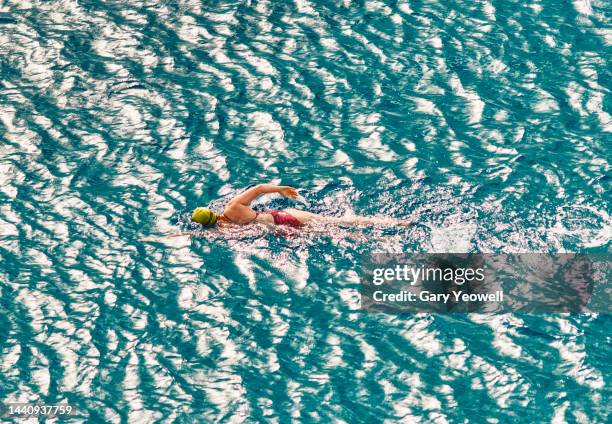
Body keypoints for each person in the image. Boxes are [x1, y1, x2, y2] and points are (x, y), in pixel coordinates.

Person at [191, 183, 409, 228]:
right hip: (281, 215)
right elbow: (257, 189)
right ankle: (393, 223)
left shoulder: (224, 231)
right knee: (339, 222)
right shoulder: (231, 208)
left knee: (335, 230)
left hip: (282, 228)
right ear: (211, 211)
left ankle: (386, 231)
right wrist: (280, 189)